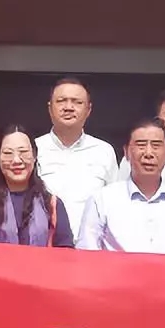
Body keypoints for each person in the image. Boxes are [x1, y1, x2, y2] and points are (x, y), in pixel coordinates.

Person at [76, 118, 165, 254]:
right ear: (126, 152)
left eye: (156, 146)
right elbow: (86, 255)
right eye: (141, 145)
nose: (148, 153)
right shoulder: (102, 199)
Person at [0, 125, 72, 247]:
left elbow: (65, 252)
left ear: (34, 156)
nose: (16, 160)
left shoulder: (52, 205)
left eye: (23, 152)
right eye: (8, 153)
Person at [35, 77, 118, 240]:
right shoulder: (34, 149)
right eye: (61, 101)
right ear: (50, 108)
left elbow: (115, 204)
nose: (68, 107)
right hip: (44, 247)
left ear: (88, 109)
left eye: (77, 102)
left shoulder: (104, 151)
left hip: (91, 247)